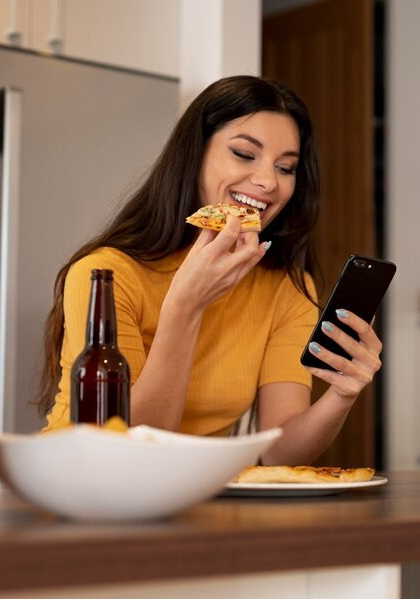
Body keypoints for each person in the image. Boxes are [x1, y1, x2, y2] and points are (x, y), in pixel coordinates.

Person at [38, 75, 384, 466]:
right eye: (244, 153)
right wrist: (185, 306)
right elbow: (128, 447)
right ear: (195, 154)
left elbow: (278, 451)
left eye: (286, 167)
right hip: (77, 485)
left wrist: (343, 394)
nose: (268, 182)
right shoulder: (104, 274)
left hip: (193, 497)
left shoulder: (285, 284)